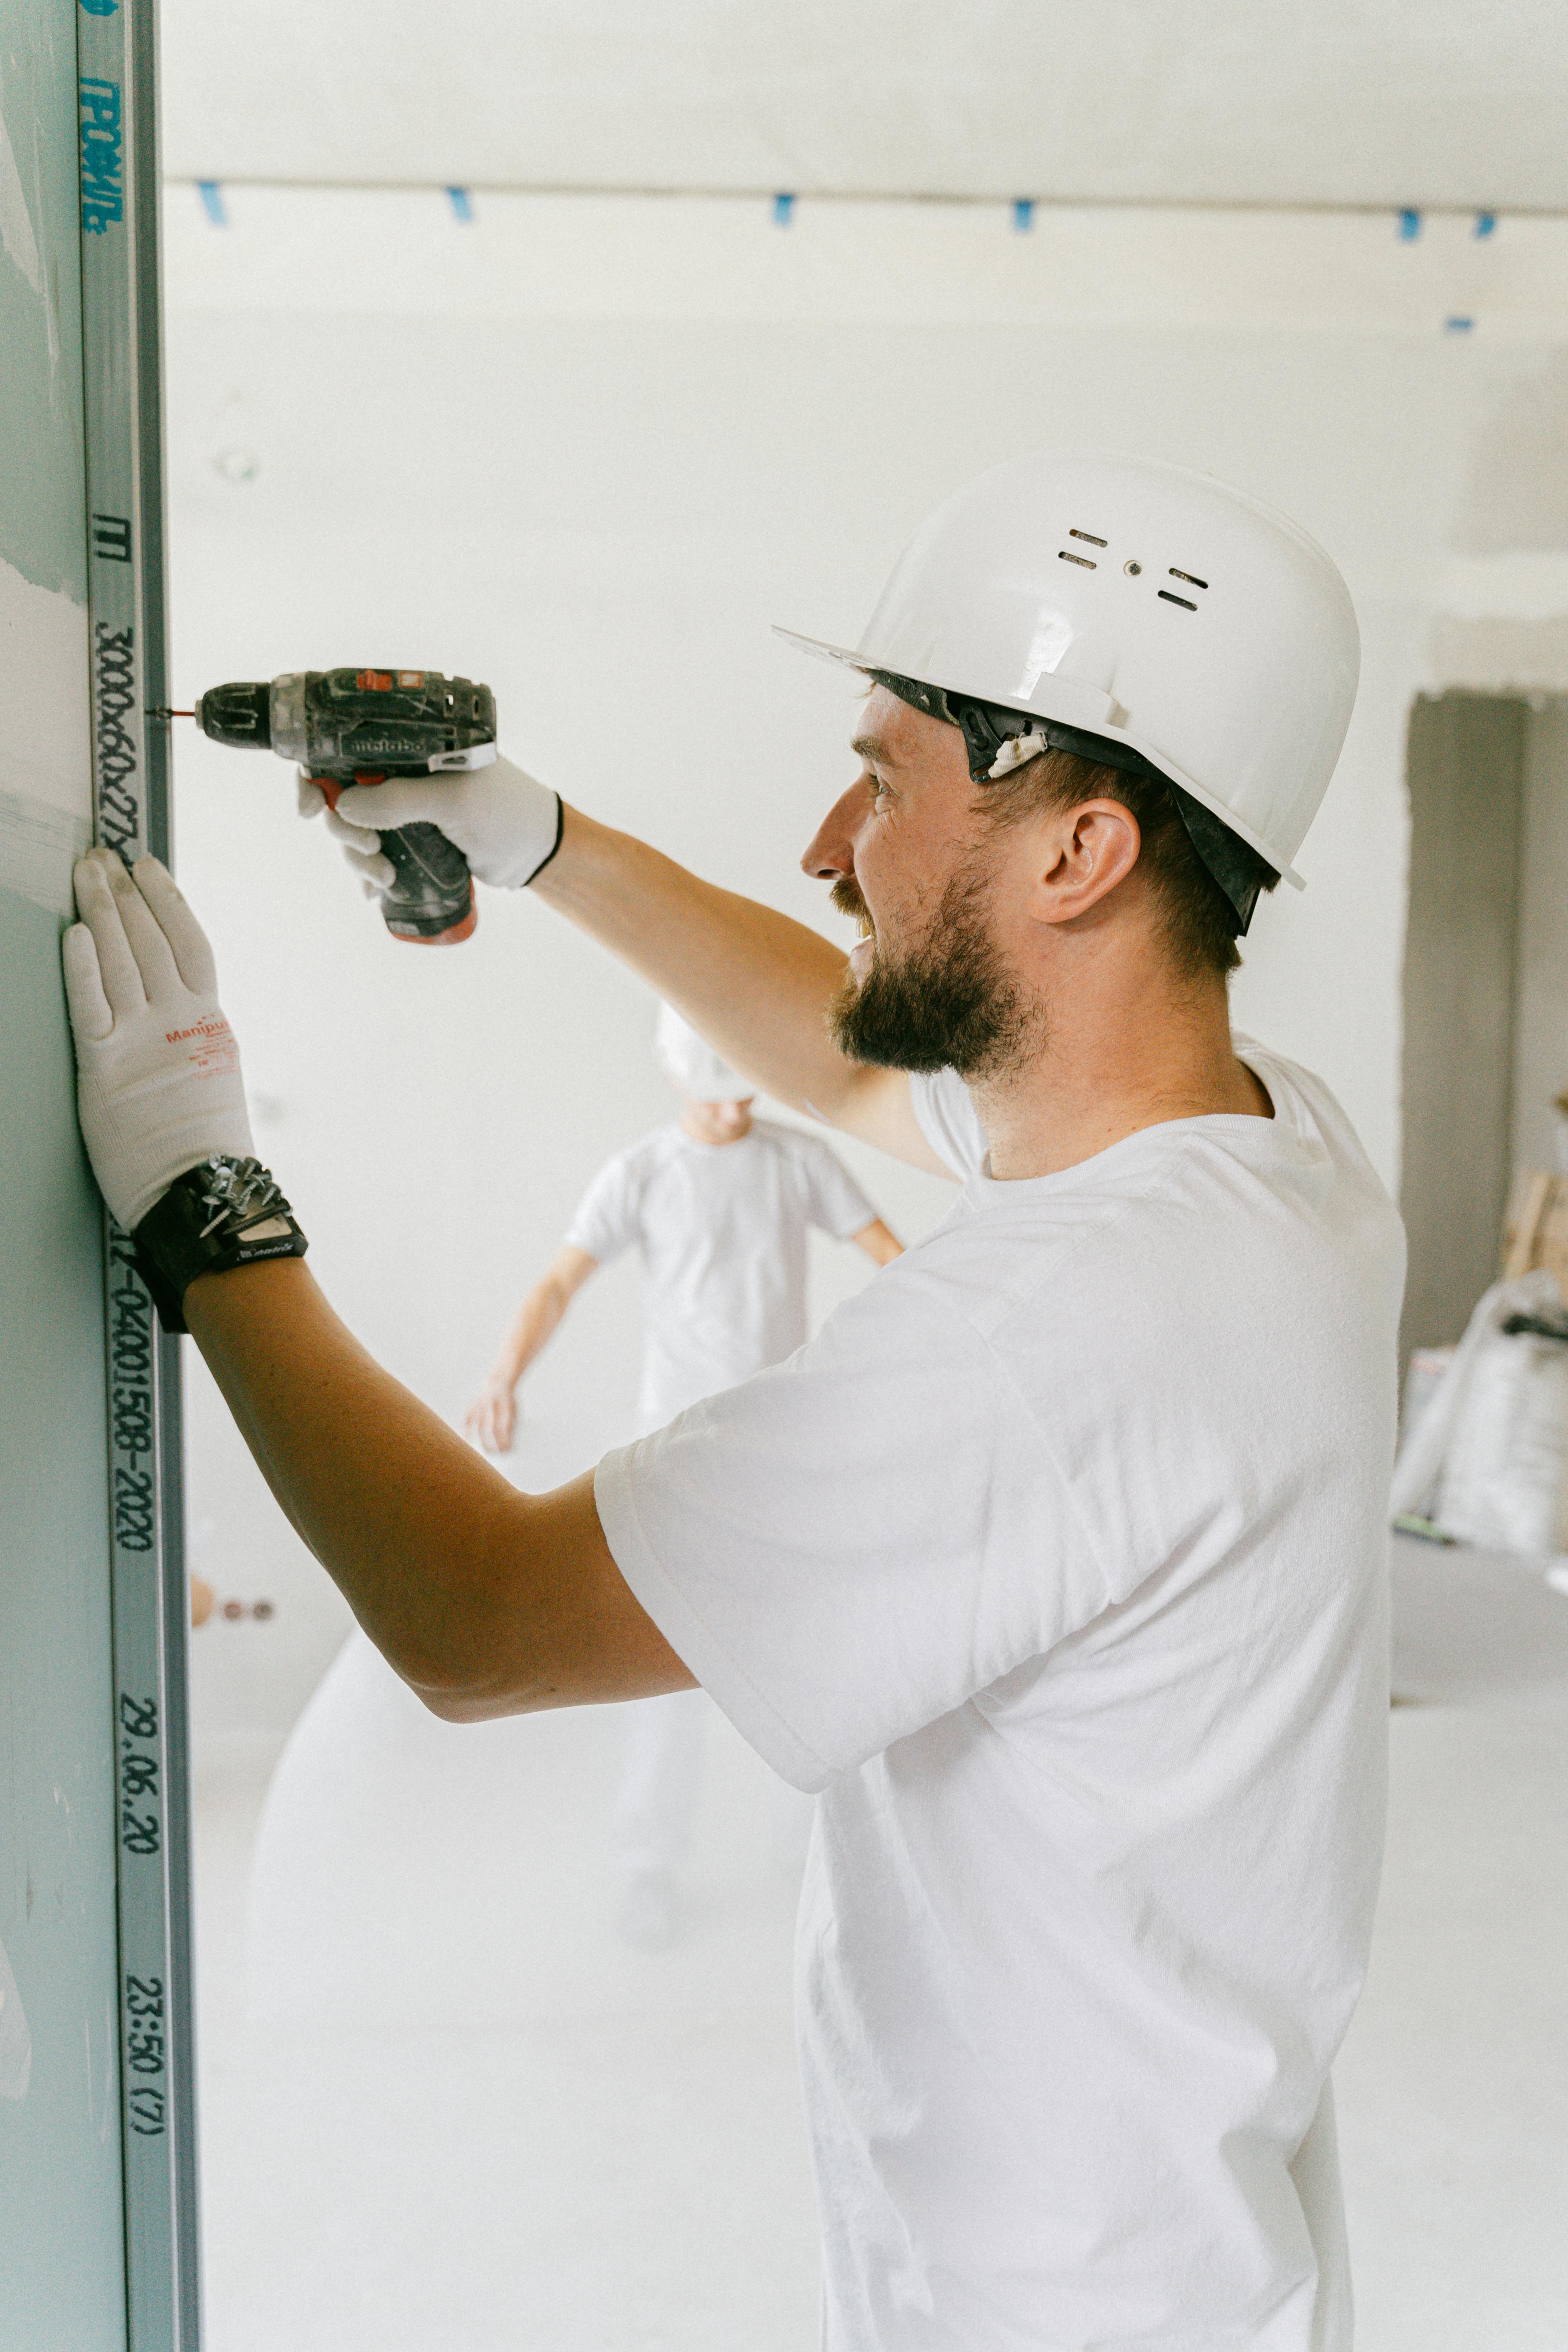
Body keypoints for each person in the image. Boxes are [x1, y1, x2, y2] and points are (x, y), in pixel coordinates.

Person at [62, 447, 1404, 2351]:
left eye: (883, 774)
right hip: (1184, 2245)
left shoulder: (1058, 1327)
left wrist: (211, 1204)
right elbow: (854, 1074)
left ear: (1076, 848)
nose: (824, 841)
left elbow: (481, 1621)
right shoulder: (1275, 1163)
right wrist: (540, 838)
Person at [467, 1003, 901, 1942]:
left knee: (809, 1664)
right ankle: (645, 1870)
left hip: (785, 1457)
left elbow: (892, 1263)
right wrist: (502, 1378)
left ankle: (805, 1863)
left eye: (743, 1088)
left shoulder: (796, 1163)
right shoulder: (644, 1174)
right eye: (713, 1091)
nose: (730, 1109)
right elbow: (557, 1284)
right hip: (674, 1458)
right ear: (675, 1077)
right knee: (663, 1674)